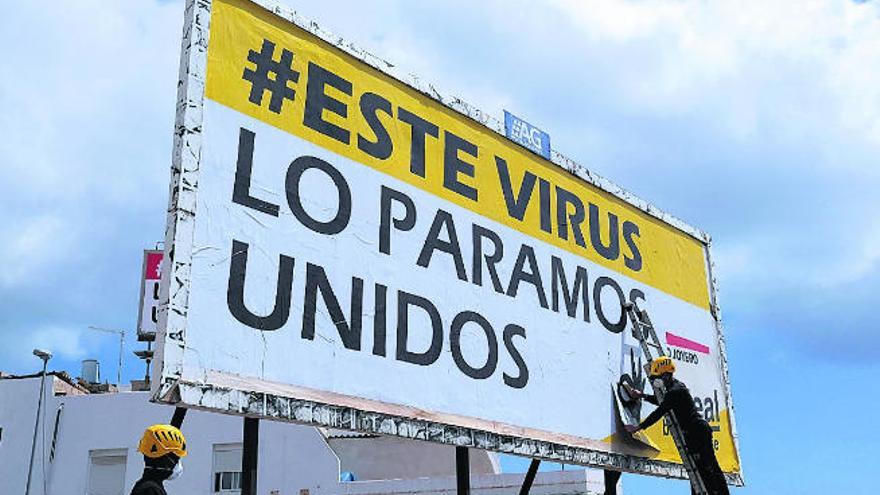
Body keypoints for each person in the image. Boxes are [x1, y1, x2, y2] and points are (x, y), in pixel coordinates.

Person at [623, 357, 729, 495]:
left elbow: (660, 411)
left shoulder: (675, 390)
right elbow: (663, 402)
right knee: (699, 468)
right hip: (694, 432)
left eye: (658, 377)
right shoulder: (674, 388)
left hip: (697, 431)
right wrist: (642, 395)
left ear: (666, 374)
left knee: (708, 466)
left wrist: (638, 427)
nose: (656, 380)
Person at [130, 424, 187, 495]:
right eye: (176, 458)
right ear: (166, 459)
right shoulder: (150, 490)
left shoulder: (146, 486)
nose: (177, 463)